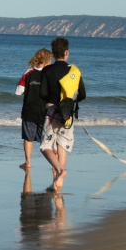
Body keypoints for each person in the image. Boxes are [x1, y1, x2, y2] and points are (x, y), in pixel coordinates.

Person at [39, 37, 86, 192]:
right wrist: (71, 102)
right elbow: (83, 94)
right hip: (68, 113)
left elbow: (42, 94)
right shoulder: (74, 71)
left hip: (52, 111)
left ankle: (59, 171)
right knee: (62, 146)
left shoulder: (47, 71)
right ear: (66, 52)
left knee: (45, 146)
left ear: (53, 53)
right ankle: (58, 184)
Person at [15, 48, 53, 170]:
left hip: (29, 110)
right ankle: (54, 164)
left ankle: (28, 162)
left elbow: (19, 91)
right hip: (45, 111)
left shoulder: (28, 72)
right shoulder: (49, 74)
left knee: (28, 138)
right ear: (47, 60)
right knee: (48, 139)